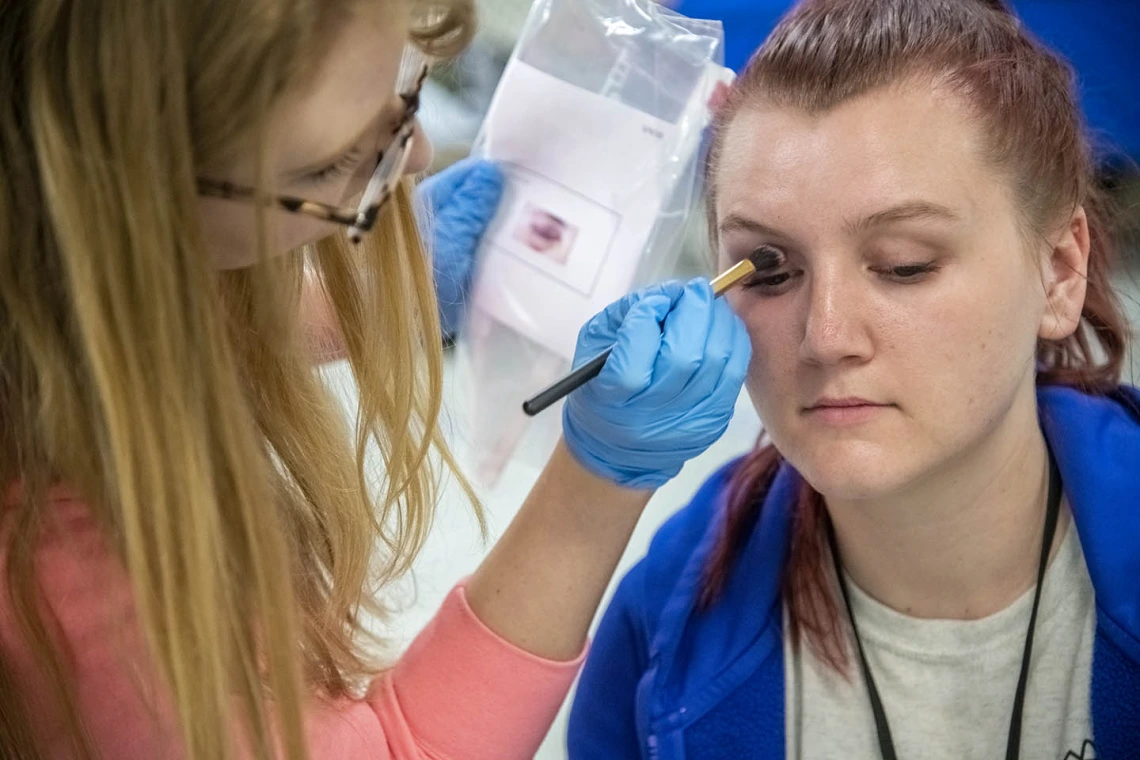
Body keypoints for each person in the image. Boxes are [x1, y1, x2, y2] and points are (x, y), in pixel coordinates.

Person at [0, 0, 750, 758]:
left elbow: (135, 311)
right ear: (121, 194)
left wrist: (349, 303)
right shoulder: (76, 583)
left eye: (407, 95)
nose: (420, 152)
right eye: (328, 165)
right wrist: (598, 486)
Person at [569, 0, 1140, 758]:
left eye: (905, 264)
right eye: (768, 270)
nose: (826, 337)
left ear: (1060, 272)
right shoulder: (659, 628)